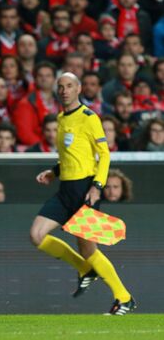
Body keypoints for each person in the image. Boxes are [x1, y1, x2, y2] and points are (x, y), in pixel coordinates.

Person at [30, 72, 136, 315]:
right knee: (36, 235)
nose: (64, 90)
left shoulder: (89, 118)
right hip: (65, 190)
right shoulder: (60, 118)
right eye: (61, 87)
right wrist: (54, 172)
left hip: (84, 191)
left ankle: (124, 297)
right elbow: (71, 155)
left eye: (69, 86)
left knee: (90, 249)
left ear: (78, 89)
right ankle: (84, 269)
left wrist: (97, 187)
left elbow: (104, 154)